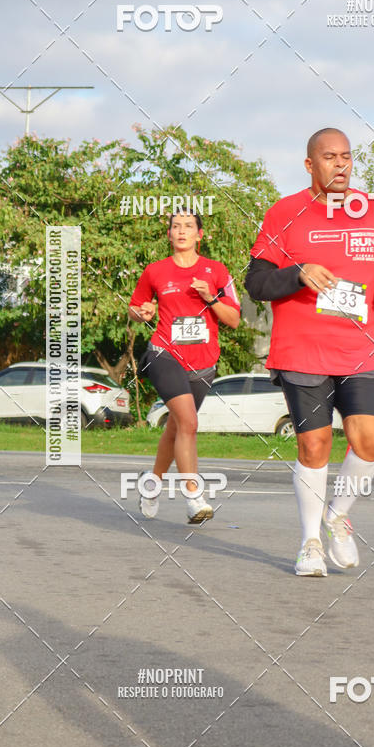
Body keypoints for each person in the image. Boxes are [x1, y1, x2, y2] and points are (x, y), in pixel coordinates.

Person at [245, 127, 374, 577]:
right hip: (302, 350)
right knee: (315, 446)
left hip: (358, 348)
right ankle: (311, 541)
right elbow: (256, 284)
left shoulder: (373, 210)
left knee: (371, 441)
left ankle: (337, 516)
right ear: (310, 164)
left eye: (347, 156)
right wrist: (297, 272)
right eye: (330, 157)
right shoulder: (284, 213)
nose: (341, 164)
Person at [128, 211, 240, 522]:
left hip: (203, 364)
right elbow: (135, 308)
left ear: (199, 235)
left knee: (176, 427)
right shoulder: (155, 271)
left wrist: (210, 297)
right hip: (165, 354)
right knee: (189, 423)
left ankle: (151, 485)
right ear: (169, 235)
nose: (181, 232)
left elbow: (233, 319)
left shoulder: (216, 271)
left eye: (188, 227)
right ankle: (194, 496)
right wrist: (144, 312)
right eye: (175, 227)